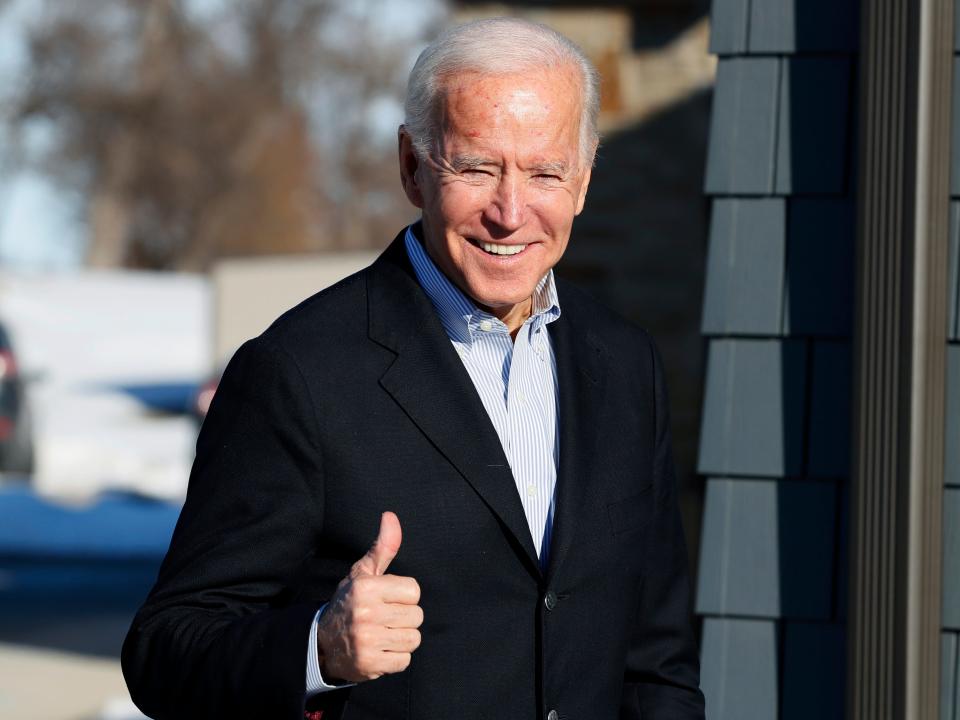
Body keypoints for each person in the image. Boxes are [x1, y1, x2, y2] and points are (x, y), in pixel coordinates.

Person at [122, 17, 705, 720]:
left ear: (582, 181)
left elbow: (657, 659)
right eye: (477, 167)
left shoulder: (624, 366)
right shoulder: (298, 374)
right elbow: (166, 653)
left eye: (545, 172)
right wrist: (320, 648)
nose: (510, 211)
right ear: (412, 167)